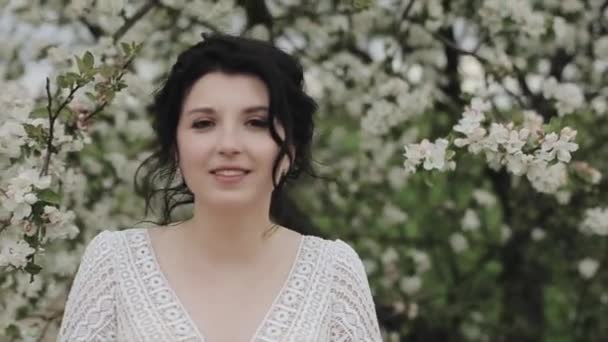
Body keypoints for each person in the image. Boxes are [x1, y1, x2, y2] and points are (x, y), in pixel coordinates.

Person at [56, 32, 383, 342]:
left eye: (256, 123)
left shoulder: (334, 273)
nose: (228, 145)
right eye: (204, 124)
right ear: (175, 146)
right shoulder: (113, 264)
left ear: (292, 148)